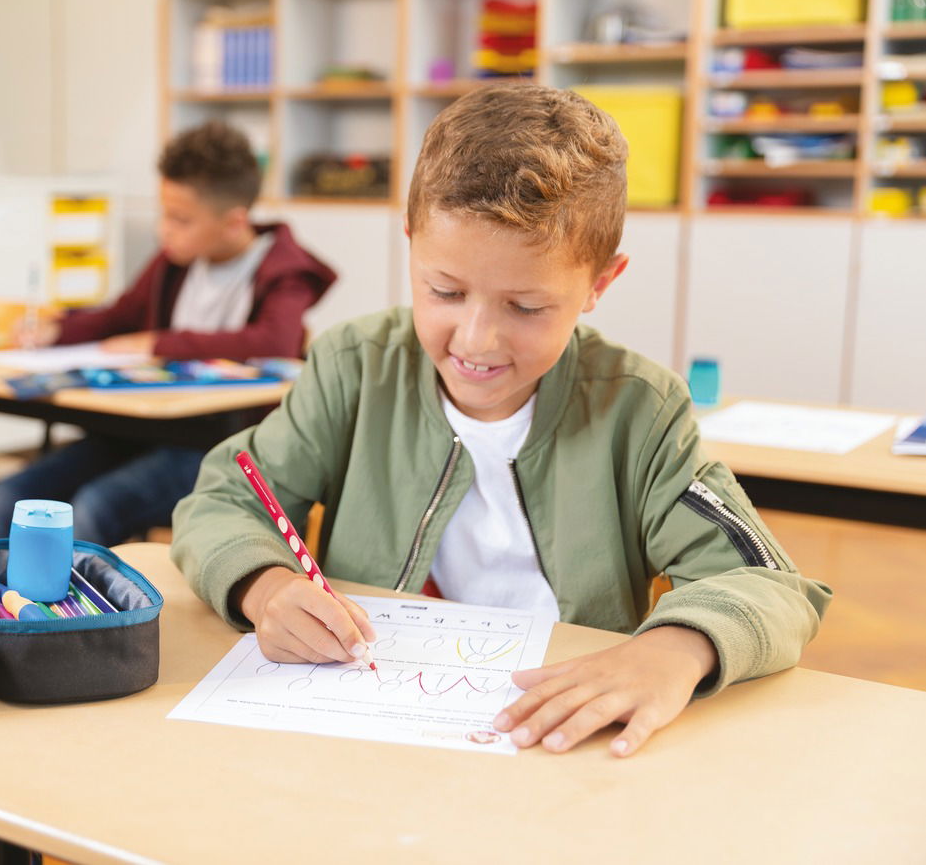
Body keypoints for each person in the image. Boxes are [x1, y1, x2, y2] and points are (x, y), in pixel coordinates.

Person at [171, 82, 831, 758]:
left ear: (599, 283)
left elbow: (769, 585)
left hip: (562, 740)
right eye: (445, 291)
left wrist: (672, 652)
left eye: (526, 307)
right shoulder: (356, 368)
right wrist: (265, 588)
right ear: (411, 245)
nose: (476, 340)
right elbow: (223, 500)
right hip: (370, 725)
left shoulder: (639, 410)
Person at [0, 121, 335, 544]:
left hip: (224, 448)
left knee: (96, 507)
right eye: (163, 213)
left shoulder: (285, 271)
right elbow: (119, 316)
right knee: (14, 495)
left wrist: (160, 344)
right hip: (147, 433)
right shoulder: (176, 260)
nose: (163, 229)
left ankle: (88, 593)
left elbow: (274, 343)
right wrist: (55, 331)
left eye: (180, 219)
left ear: (234, 221)